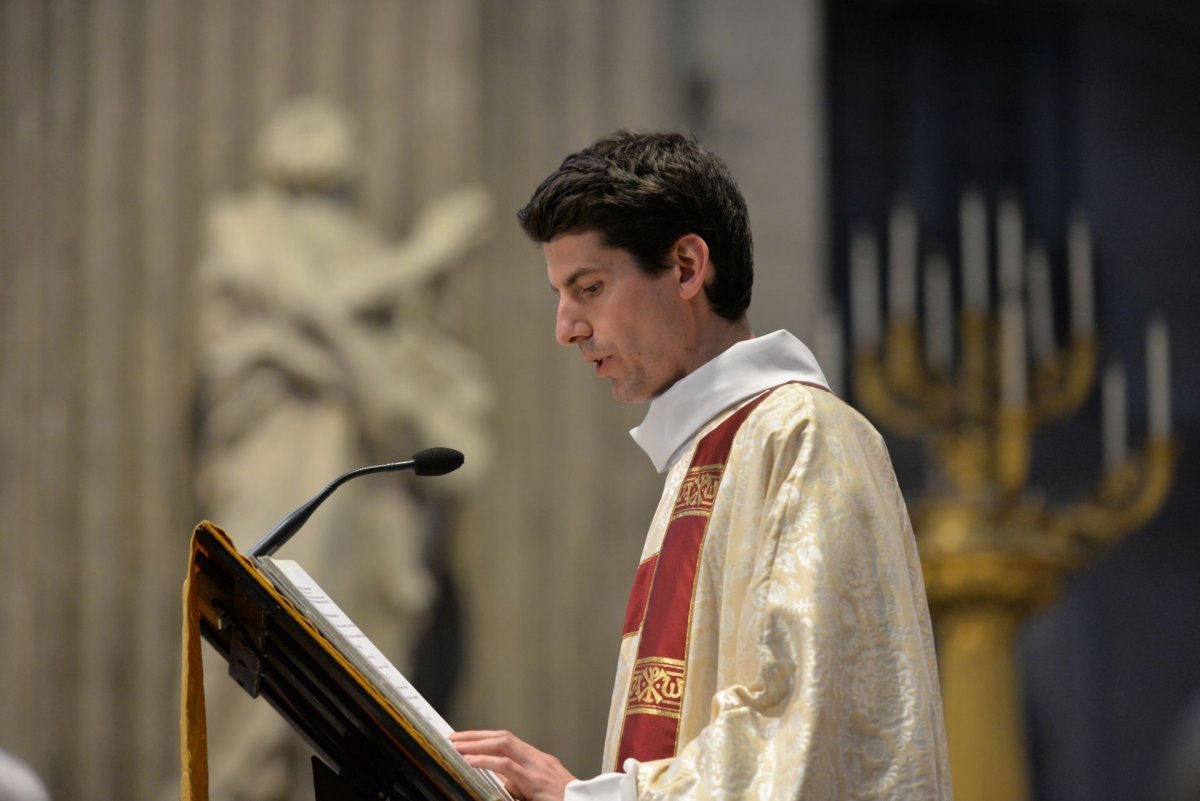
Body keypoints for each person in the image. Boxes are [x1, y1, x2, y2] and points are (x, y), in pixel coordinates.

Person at [451, 130, 951, 800]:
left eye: (590, 287)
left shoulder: (803, 433)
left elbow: (803, 720)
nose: (566, 327)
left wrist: (582, 798)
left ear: (687, 267)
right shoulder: (705, 450)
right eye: (559, 296)